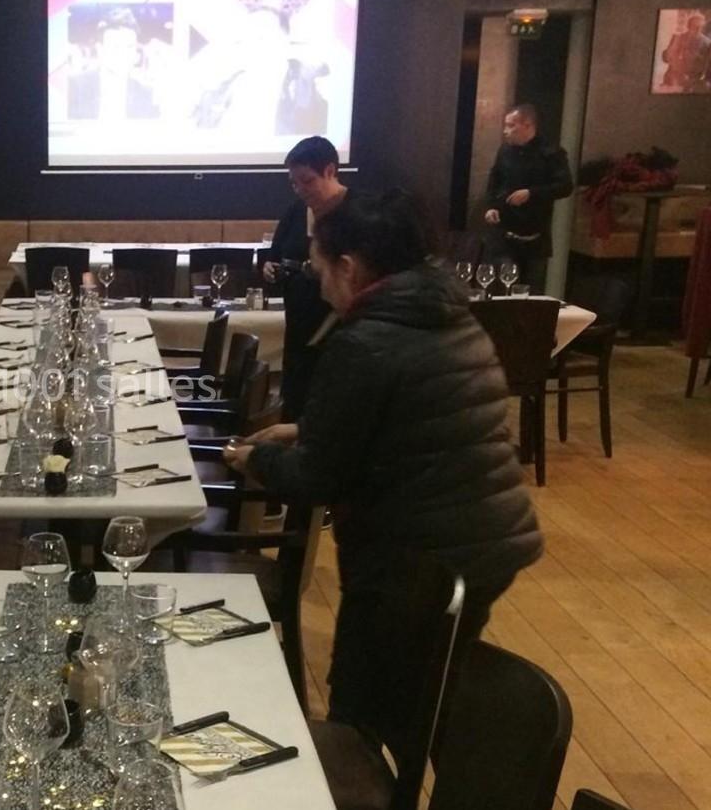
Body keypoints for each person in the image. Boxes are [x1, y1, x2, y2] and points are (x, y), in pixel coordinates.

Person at [225, 189, 543, 756]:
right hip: (488, 536)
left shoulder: (368, 339)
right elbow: (417, 413)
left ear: (348, 267)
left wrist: (256, 459)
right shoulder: (442, 313)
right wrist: (301, 429)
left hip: (418, 552)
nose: (318, 281)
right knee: (429, 692)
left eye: (320, 266)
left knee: (362, 710)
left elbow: (317, 478)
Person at [261, 136, 349, 420]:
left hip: (336, 319)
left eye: (307, 181)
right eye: (294, 183)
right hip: (298, 315)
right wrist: (269, 269)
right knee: (295, 392)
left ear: (330, 171)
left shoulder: (355, 211)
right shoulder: (296, 210)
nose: (300, 189)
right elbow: (273, 255)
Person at [483, 103, 573, 294]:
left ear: (528, 125)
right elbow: (494, 180)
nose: (506, 131)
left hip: (535, 236)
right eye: (505, 125)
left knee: (530, 294)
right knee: (502, 290)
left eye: (511, 125)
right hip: (505, 234)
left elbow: (565, 187)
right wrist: (490, 207)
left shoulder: (551, 153)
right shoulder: (505, 151)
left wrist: (531, 193)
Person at [67, 8, 159, 121]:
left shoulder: (145, 93)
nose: (122, 54)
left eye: (129, 46)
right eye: (115, 46)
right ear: (100, 49)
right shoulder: (75, 86)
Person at [661, 12, 711, 91]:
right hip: (675, 78)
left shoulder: (708, 43)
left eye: (701, 27)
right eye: (695, 27)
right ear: (688, 26)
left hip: (694, 80)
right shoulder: (677, 38)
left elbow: (707, 64)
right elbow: (666, 58)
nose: (698, 29)